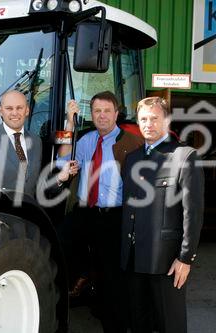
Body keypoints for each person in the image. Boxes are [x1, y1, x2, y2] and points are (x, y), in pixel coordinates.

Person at [57, 91, 143, 332]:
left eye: (107, 111)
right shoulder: (85, 140)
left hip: (114, 217)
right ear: (91, 114)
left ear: (116, 114)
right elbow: (61, 162)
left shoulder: (132, 144)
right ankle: (80, 280)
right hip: (86, 212)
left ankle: (114, 325)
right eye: (97, 111)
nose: (102, 116)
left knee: (112, 276)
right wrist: (69, 123)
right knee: (59, 243)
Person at [120, 96, 204, 332]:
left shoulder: (184, 156)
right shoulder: (132, 158)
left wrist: (186, 258)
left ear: (166, 121)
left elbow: (193, 213)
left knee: (170, 324)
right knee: (138, 324)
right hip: (134, 259)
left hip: (166, 261)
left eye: (155, 118)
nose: (149, 124)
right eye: (143, 119)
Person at [0, 90, 77, 197]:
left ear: (27, 111)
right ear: (0, 111)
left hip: (27, 215)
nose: (14, 113)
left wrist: (60, 178)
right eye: (9, 108)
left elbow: (36, 185)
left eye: (19, 108)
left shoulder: (36, 141)